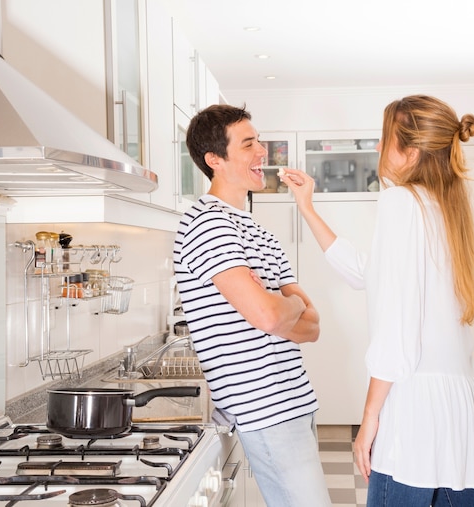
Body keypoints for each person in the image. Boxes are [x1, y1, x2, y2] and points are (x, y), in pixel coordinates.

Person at [281, 95, 474, 507]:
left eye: (385, 140)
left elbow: (395, 332)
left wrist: (368, 420)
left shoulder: (401, 203)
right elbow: (369, 273)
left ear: (411, 153)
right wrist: (307, 208)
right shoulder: (443, 207)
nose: (379, 149)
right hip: (458, 407)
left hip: (415, 411)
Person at [173, 104, 332, 507]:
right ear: (215, 160)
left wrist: (278, 306)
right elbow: (267, 315)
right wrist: (280, 305)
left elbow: (311, 326)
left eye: (258, 140)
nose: (263, 151)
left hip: (294, 398)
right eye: (249, 143)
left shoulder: (258, 231)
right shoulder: (207, 223)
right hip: (262, 407)